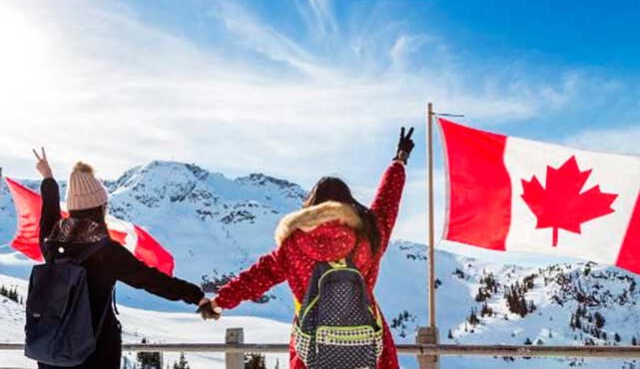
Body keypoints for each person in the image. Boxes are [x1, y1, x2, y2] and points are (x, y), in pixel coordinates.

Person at [203, 127, 415, 369]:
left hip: (313, 346)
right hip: (366, 342)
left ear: (310, 206)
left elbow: (255, 278)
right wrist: (399, 160)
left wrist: (217, 303)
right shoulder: (370, 234)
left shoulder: (293, 245)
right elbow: (388, 200)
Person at [32, 148, 209, 369]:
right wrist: (196, 296)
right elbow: (152, 280)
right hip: (95, 352)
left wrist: (48, 179)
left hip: (53, 351)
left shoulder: (52, 243)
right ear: (99, 207)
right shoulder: (106, 252)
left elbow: (48, 214)